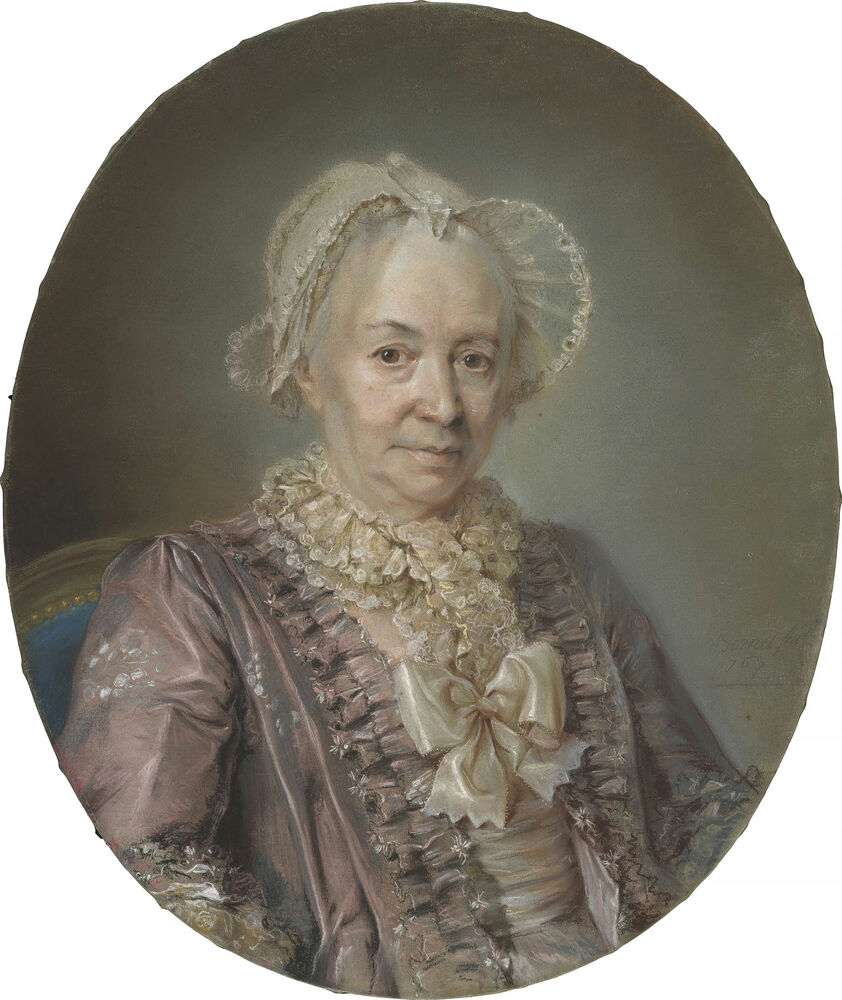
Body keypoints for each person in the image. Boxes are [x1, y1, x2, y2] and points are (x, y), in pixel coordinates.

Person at [57, 154, 758, 998]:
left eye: (474, 359)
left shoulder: (572, 572)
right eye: (392, 354)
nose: (444, 405)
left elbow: (702, 815)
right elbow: (146, 887)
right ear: (308, 370)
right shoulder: (191, 591)